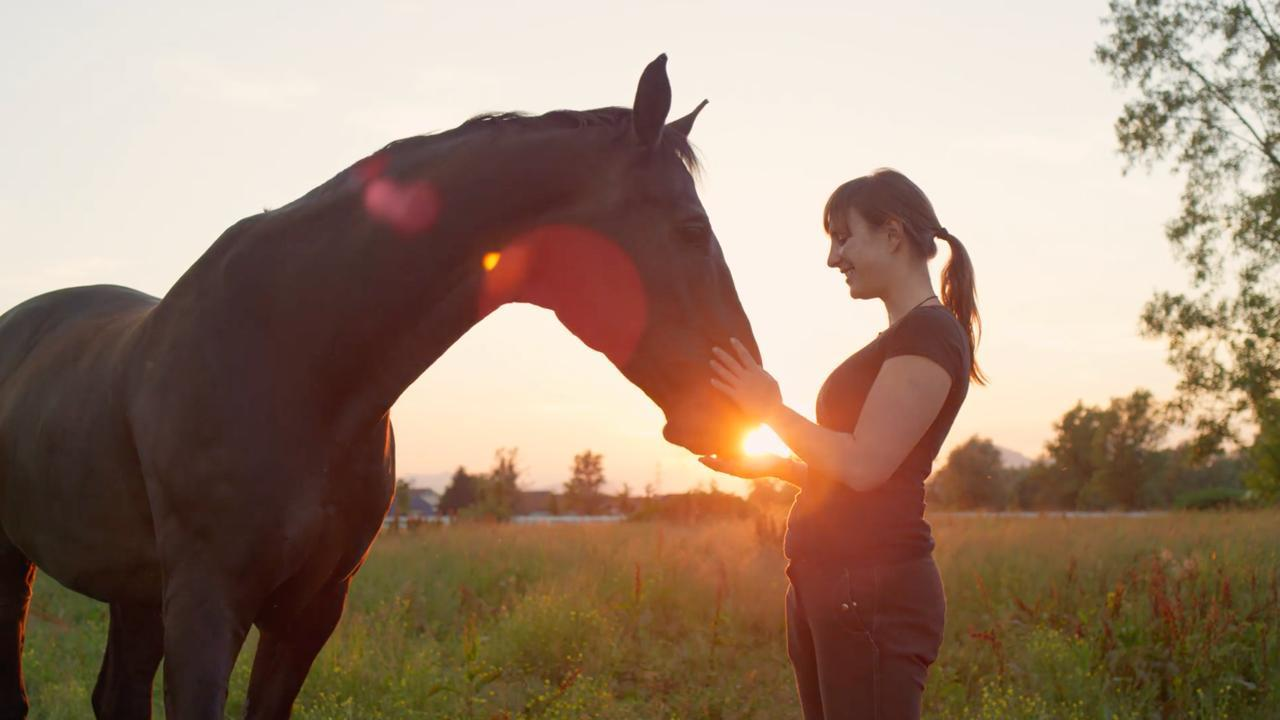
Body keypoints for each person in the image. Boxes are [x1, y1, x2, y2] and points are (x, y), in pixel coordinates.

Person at [701, 168, 984, 719]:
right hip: (831, 583)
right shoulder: (904, 338)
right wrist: (773, 465)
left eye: (843, 236)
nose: (834, 258)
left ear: (893, 233)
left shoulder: (928, 336)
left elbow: (864, 467)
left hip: (871, 590)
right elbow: (863, 472)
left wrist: (770, 410)